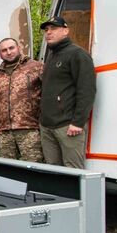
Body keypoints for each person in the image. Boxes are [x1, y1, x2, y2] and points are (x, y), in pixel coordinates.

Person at [39, 16, 96, 168]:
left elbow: (87, 90)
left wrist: (77, 122)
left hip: (67, 126)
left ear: (66, 31)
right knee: (52, 169)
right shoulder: (51, 56)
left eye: (54, 29)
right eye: (46, 30)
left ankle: (77, 193)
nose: (48, 33)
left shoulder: (78, 54)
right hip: (47, 126)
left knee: (73, 170)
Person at [0, 38, 43, 162]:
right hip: (4, 132)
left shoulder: (36, 67)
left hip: (30, 129)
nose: (8, 52)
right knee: (7, 170)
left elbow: (48, 94)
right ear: (0, 54)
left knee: (33, 167)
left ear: (18, 48)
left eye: (11, 48)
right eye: (4, 50)